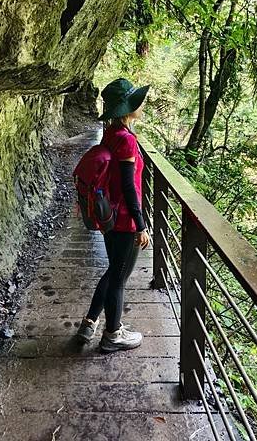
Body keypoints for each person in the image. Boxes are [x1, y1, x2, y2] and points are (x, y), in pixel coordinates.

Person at [76, 78, 151, 352]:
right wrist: (141, 225)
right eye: (137, 101)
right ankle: (113, 335)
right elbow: (130, 187)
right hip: (124, 221)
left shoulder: (111, 133)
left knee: (113, 271)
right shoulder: (127, 141)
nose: (141, 104)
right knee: (119, 277)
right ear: (128, 107)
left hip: (108, 216)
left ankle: (90, 320)